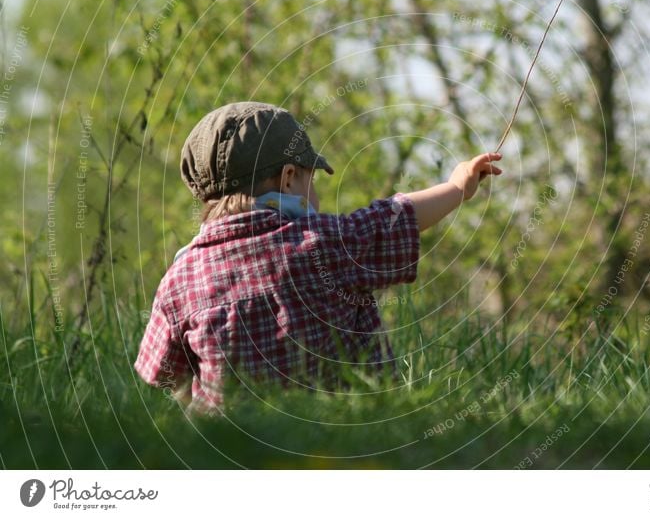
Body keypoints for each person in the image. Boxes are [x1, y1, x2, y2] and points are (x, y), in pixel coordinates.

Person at [134, 101, 502, 413]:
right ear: (289, 178)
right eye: (314, 178)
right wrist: (457, 187)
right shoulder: (323, 243)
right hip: (347, 430)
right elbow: (397, 216)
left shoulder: (180, 278)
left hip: (232, 453)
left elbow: (161, 375)